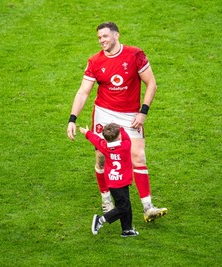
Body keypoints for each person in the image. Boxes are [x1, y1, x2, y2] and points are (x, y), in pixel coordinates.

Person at [67, 22, 167, 222]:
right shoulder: (95, 61)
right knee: (102, 158)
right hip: (104, 112)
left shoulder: (135, 55)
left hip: (130, 114)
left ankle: (148, 207)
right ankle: (106, 199)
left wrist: (143, 112)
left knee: (138, 156)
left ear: (117, 35)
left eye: (105, 36)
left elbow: (152, 84)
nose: (102, 40)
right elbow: (83, 91)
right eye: (99, 38)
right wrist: (72, 119)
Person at [80, 123, 138, 237]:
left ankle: (127, 229)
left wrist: (87, 133)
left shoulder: (104, 146)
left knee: (126, 204)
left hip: (112, 182)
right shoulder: (125, 145)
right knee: (123, 207)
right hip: (121, 182)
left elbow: (96, 140)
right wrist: (120, 126)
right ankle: (100, 220)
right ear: (119, 135)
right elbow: (125, 135)